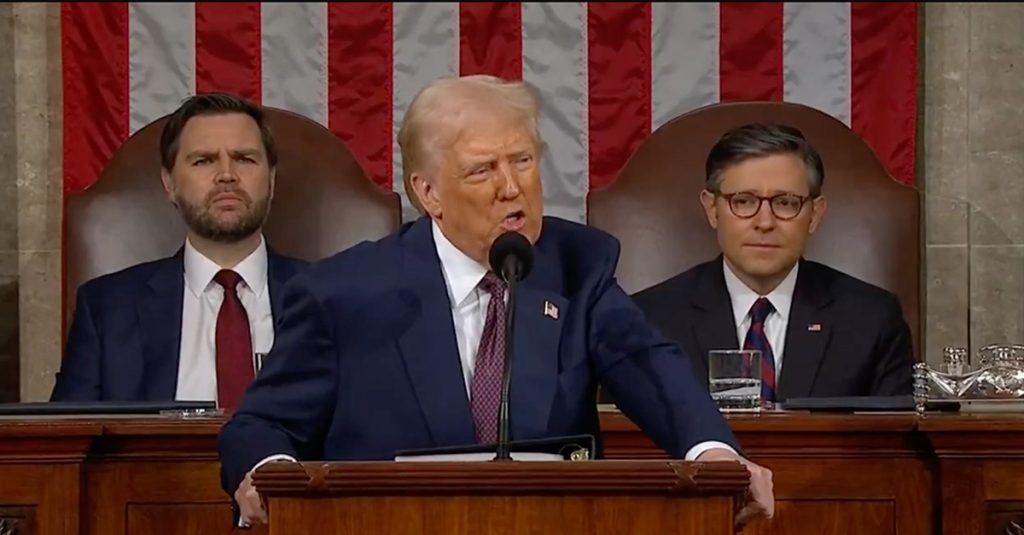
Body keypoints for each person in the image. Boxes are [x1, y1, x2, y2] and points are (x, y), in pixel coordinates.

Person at [218, 75, 774, 528]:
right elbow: (259, 427)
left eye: (523, 161)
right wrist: (274, 478)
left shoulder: (576, 266)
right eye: (483, 170)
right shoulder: (344, 292)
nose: (512, 188)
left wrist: (714, 455)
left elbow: (652, 367)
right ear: (428, 193)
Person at [50, 93, 307, 408]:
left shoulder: (328, 298)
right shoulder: (107, 310)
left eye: (244, 158)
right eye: (204, 160)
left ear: (271, 179)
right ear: (169, 183)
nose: (227, 175)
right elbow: (69, 445)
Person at [633, 123, 915, 403]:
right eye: (743, 201)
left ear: (815, 214)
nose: (765, 222)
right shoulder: (650, 319)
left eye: (786, 203)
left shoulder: (870, 318)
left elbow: (892, 443)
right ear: (712, 209)